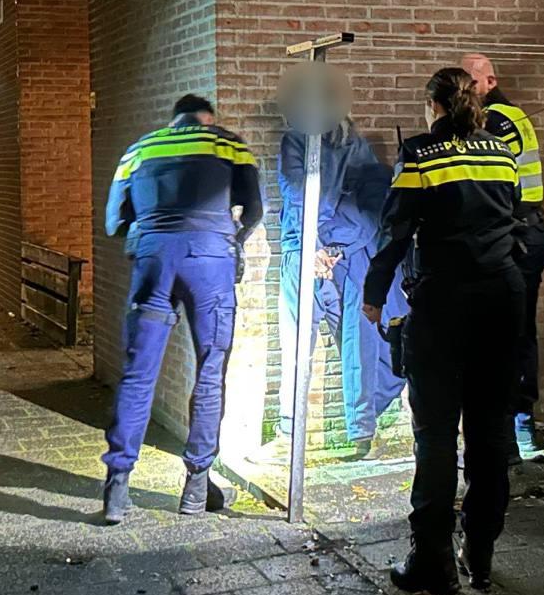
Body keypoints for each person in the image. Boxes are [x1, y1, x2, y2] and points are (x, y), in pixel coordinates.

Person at [363, 67, 524, 594]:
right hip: (502, 301)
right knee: (490, 433)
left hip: (443, 306)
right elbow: (514, 216)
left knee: (434, 435)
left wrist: (373, 291)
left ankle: (432, 560)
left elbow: (395, 229)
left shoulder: (419, 157)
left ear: (433, 107)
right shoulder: (502, 152)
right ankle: (480, 553)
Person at [100, 94, 264, 523]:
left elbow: (114, 223)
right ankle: (196, 484)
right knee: (210, 369)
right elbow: (255, 210)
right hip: (210, 260)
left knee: (138, 373)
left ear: (174, 120)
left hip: (154, 261)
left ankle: (117, 487)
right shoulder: (228, 144)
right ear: (207, 119)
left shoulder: (139, 149)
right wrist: (231, 238)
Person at [278, 98, 407, 460]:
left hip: (312, 255)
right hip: (345, 257)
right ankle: (360, 431)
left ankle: (292, 432)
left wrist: (316, 248)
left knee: (303, 347)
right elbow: (370, 213)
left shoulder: (296, 141)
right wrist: (333, 249)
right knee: (358, 347)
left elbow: (298, 194)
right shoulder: (357, 148)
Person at [462, 53, 544, 462]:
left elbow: (482, 178)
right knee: (516, 330)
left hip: (517, 235)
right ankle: (514, 425)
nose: (464, 89)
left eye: (469, 81)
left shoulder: (496, 120)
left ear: (490, 82)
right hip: (526, 230)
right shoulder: (509, 115)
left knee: (509, 332)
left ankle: (514, 426)